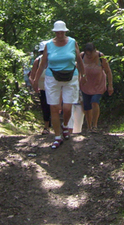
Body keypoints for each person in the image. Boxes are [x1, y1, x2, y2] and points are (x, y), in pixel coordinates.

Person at [34, 20, 85, 149]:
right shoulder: (49, 45)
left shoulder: (73, 43)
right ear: (55, 32)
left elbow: (79, 60)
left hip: (70, 76)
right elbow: (42, 64)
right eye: (58, 32)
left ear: (65, 31)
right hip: (52, 78)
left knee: (67, 107)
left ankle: (65, 125)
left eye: (62, 32)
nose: (60, 34)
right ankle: (57, 137)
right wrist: (35, 80)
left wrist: (83, 75)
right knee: (54, 108)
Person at [80, 42, 114, 132]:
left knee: (94, 102)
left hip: (98, 84)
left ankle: (95, 125)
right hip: (85, 85)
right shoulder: (82, 56)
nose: (89, 56)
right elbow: (77, 68)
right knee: (87, 106)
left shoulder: (100, 56)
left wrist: (110, 85)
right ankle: (89, 126)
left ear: (94, 51)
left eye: (90, 53)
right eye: (87, 54)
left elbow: (108, 71)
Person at [29, 41, 51, 135]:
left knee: (56, 107)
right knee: (45, 106)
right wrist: (35, 85)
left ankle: (61, 127)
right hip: (43, 88)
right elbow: (31, 76)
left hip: (55, 87)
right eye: (43, 52)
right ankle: (46, 127)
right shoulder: (37, 61)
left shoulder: (54, 60)